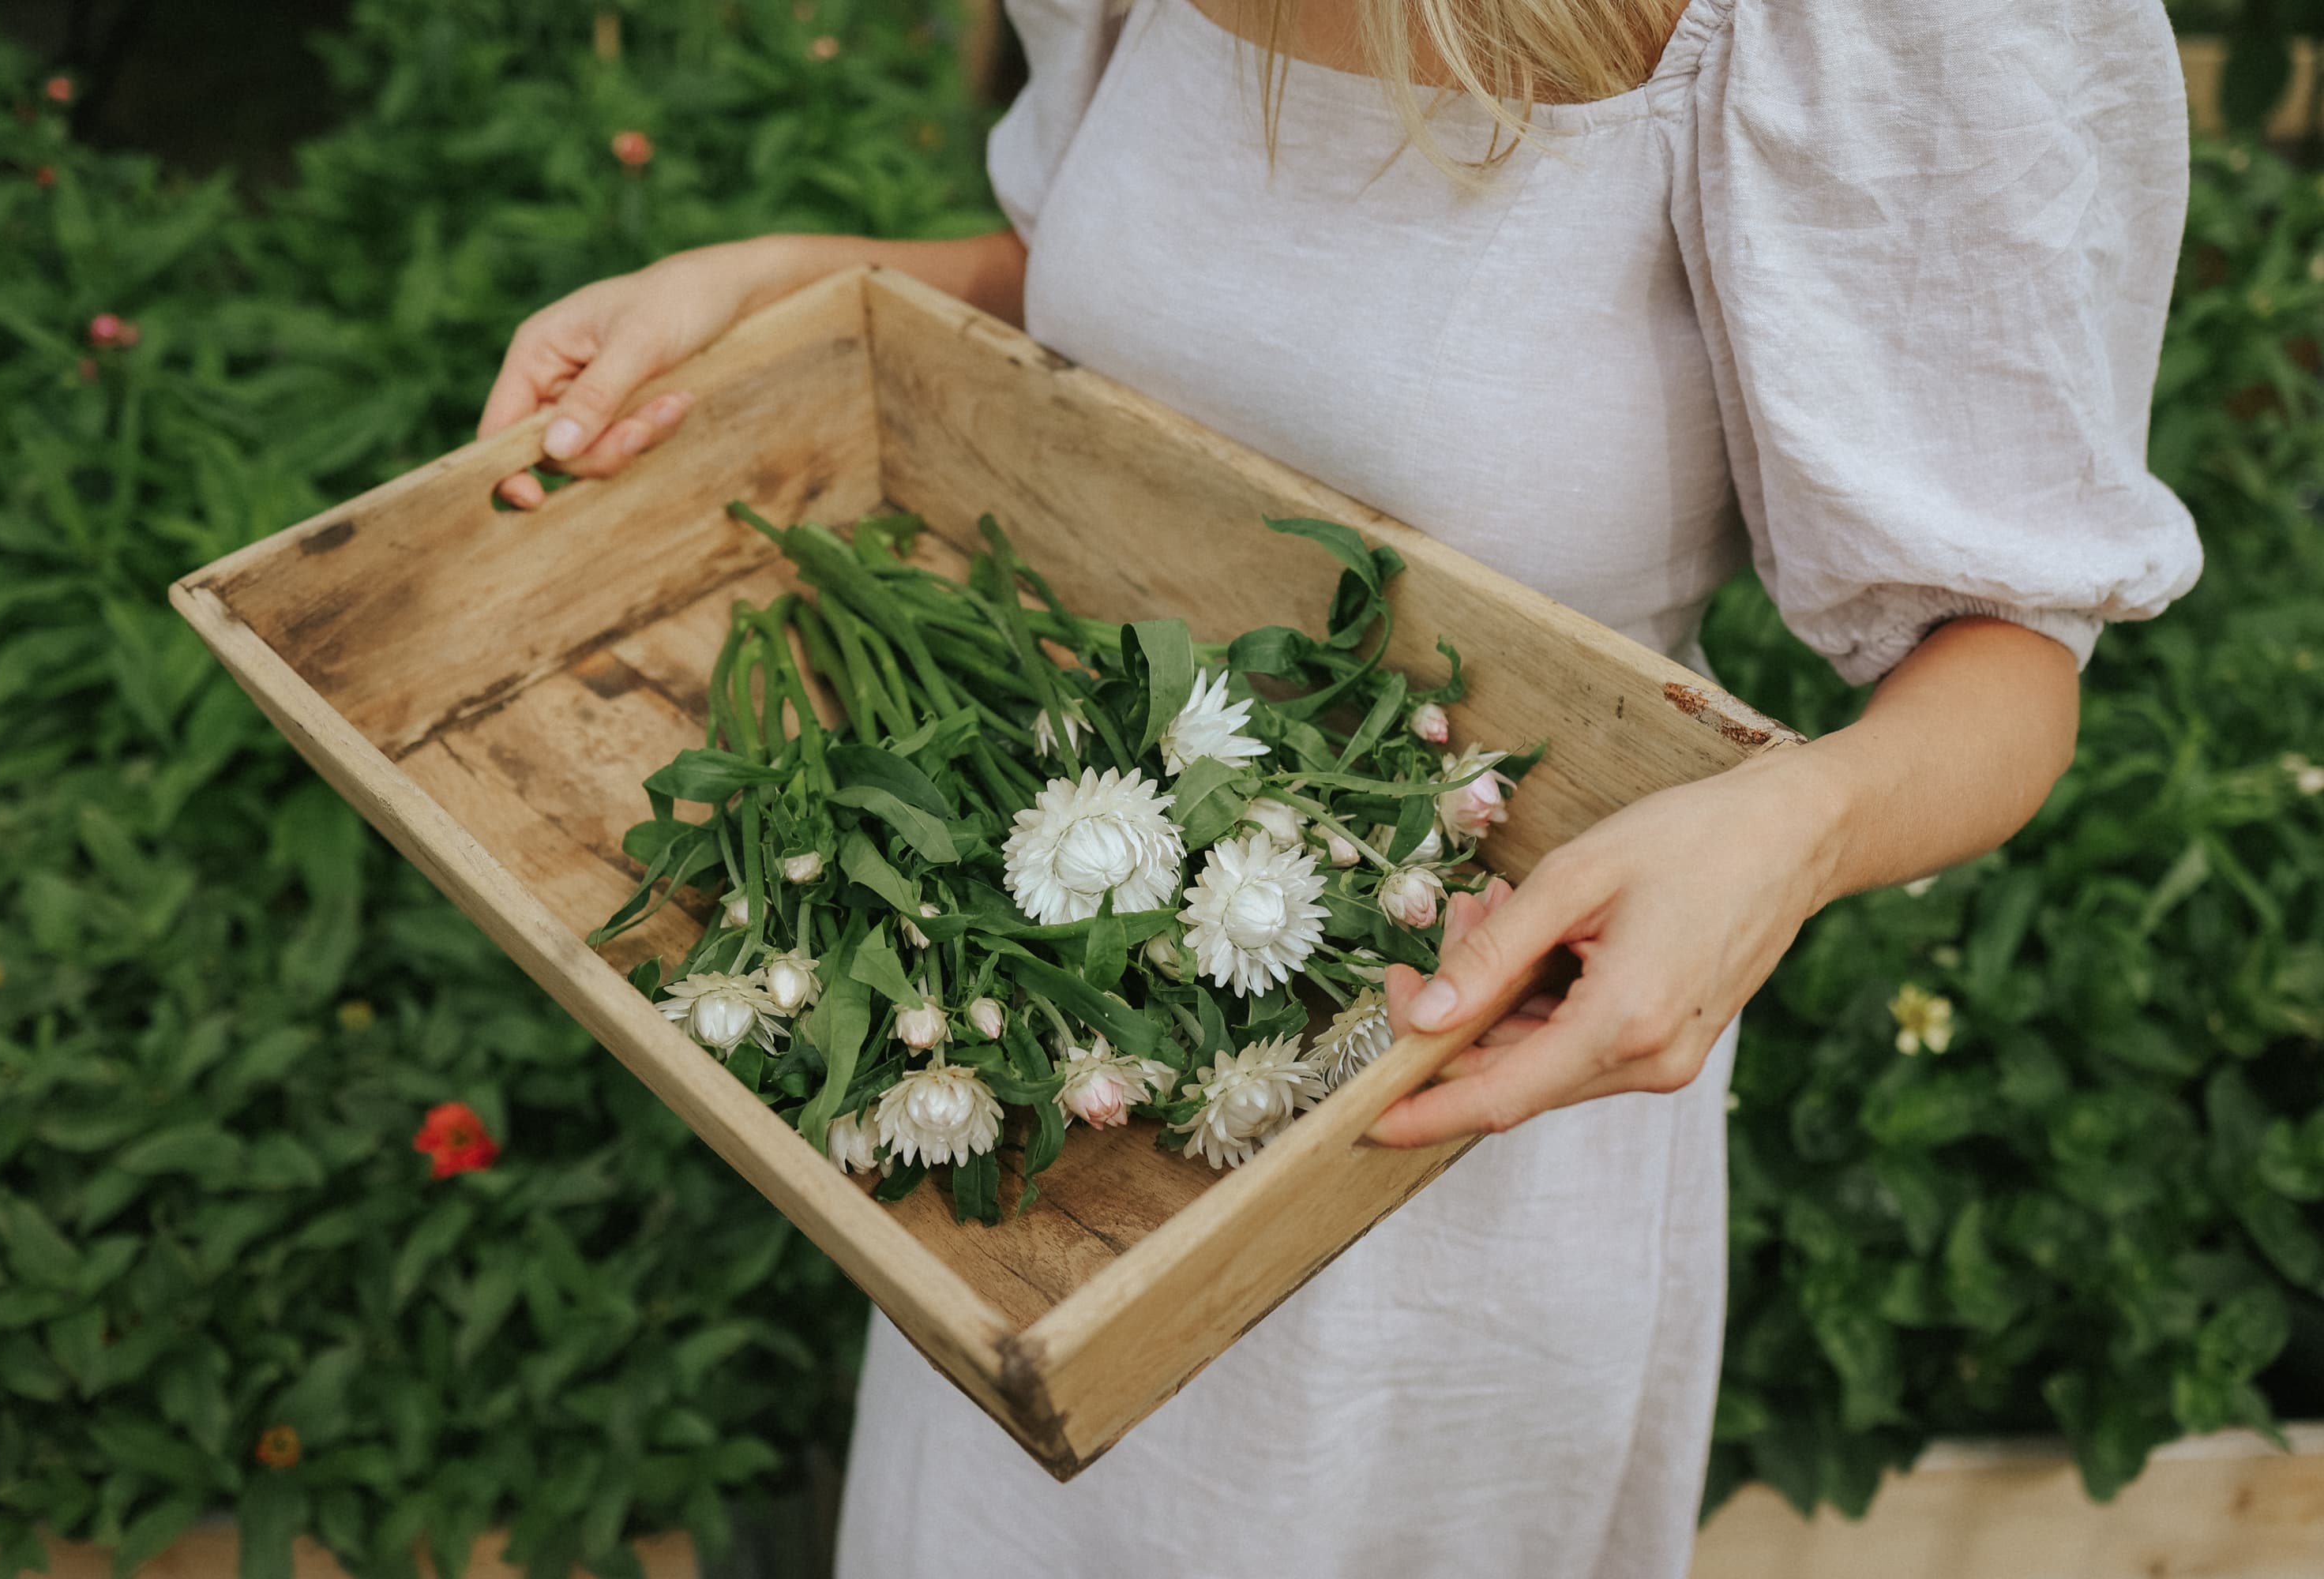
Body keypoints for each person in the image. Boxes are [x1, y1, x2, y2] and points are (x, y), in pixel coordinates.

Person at [479, 0, 2202, 1571]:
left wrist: (1790, 827)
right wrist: (789, 276)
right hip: (1036, 1026)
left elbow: (2006, 655)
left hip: (1466, 1074)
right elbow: (1122, 314)